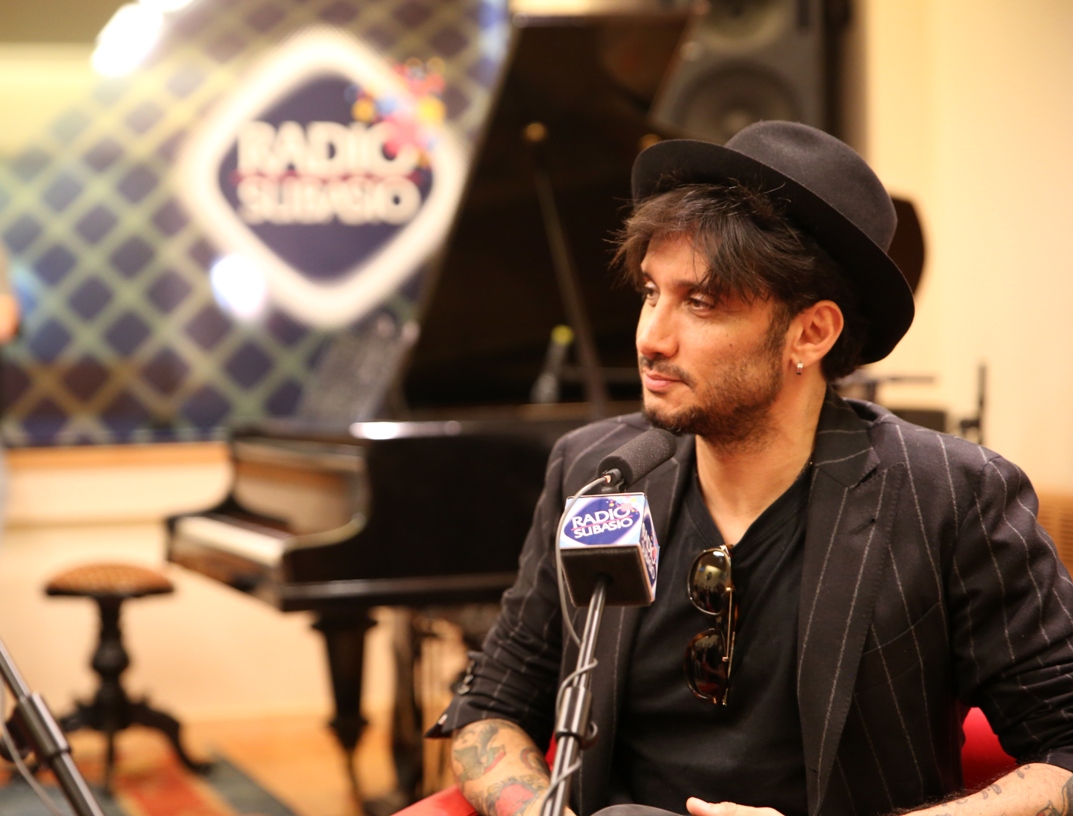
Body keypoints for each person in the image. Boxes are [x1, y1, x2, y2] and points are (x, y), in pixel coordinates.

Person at [428, 121, 1073, 816]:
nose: (650, 337)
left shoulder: (949, 495)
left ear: (811, 332)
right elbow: (490, 705)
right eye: (651, 292)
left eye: (700, 303)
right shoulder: (597, 473)